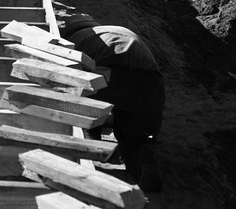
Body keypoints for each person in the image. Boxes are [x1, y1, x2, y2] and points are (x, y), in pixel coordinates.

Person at [61, 14, 165, 192]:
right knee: (136, 135)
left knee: (82, 106)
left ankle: (94, 146)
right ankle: (141, 156)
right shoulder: (118, 30)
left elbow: (71, 82)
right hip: (150, 82)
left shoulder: (75, 41)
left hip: (109, 74)